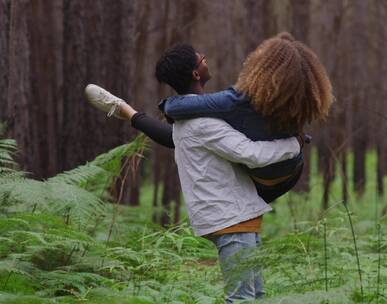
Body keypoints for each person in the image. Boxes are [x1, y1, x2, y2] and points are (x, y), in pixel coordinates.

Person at [85, 33, 333, 302]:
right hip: (232, 220)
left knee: (255, 295)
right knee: (242, 298)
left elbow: (170, 138)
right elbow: (252, 154)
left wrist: (129, 112)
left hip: (235, 218)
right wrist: (293, 145)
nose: (206, 60)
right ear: (196, 72)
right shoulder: (203, 124)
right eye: (202, 59)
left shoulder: (188, 121)